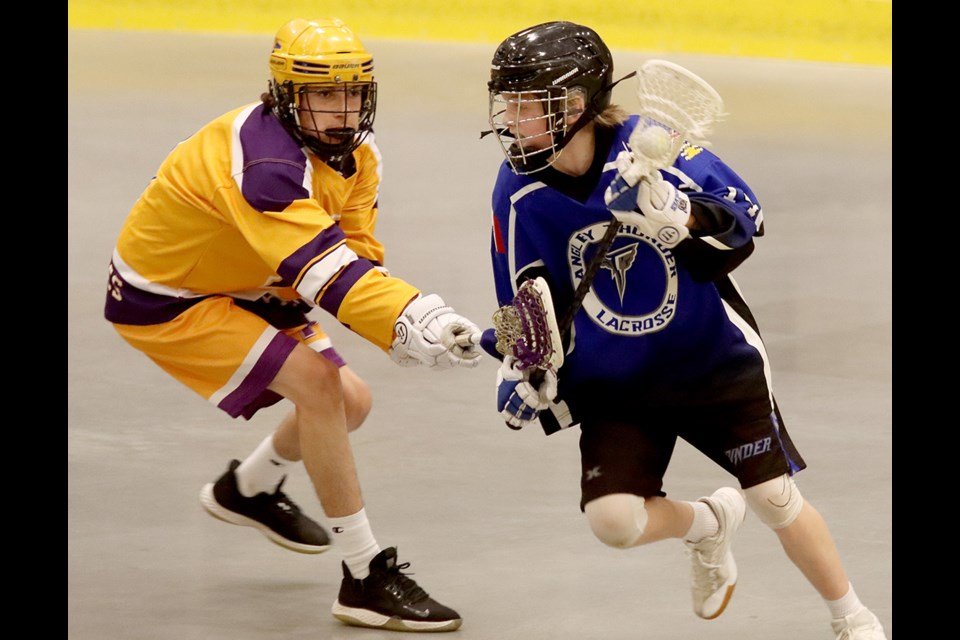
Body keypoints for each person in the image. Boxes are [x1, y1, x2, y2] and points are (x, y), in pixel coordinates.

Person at [481, 21, 887, 640]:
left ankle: (853, 618)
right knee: (613, 521)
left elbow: (747, 215)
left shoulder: (655, 147)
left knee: (775, 498)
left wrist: (681, 212)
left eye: (527, 103)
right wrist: (525, 364)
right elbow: (519, 298)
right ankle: (707, 525)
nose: (511, 118)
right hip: (618, 380)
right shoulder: (518, 191)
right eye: (505, 102)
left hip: (709, 361)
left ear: (574, 104)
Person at [103, 17, 481, 633]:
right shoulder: (266, 168)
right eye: (324, 94)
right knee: (319, 388)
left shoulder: (357, 156)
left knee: (349, 402)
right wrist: (413, 316)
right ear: (285, 95)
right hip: (170, 293)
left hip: (256, 277)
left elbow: (352, 254)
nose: (343, 110)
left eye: (354, 93)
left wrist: (400, 323)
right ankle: (362, 576)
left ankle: (247, 490)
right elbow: (320, 271)